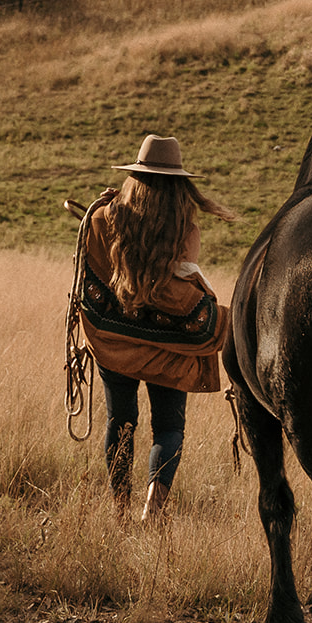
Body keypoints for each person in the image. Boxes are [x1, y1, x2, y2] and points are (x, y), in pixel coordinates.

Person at [75, 134, 235, 520]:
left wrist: (106, 205)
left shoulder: (102, 218)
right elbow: (181, 283)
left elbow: (91, 267)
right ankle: (153, 508)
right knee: (168, 427)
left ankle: (118, 508)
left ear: (134, 177)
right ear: (179, 183)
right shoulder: (187, 230)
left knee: (121, 420)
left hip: (116, 342)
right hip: (170, 348)